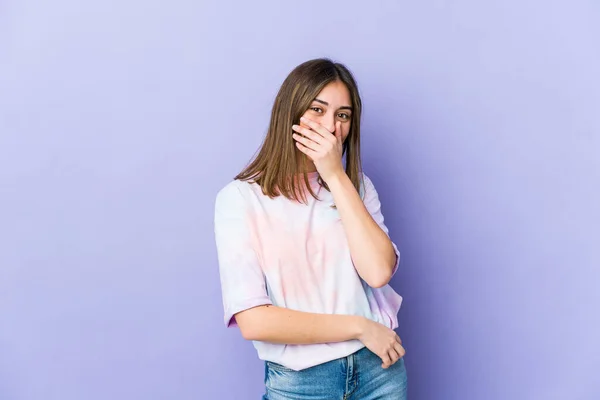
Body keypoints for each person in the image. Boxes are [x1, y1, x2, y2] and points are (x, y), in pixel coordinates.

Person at [213, 58, 407, 399]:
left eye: (343, 115)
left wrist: (334, 176)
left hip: (380, 374)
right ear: (291, 111)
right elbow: (255, 321)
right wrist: (360, 327)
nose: (331, 126)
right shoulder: (240, 199)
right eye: (318, 109)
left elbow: (378, 272)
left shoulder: (358, 188)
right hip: (302, 384)